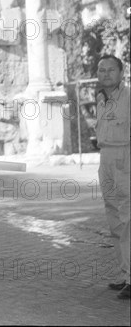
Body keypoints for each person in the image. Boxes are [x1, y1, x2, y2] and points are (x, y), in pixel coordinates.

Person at [95, 54, 130, 300]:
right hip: (105, 159)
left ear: (121, 73)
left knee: (128, 220)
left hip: (125, 159)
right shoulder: (100, 99)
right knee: (115, 220)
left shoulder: (129, 98)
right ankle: (125, 273)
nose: (106, 74)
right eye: (101, 70)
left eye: (111, 70)